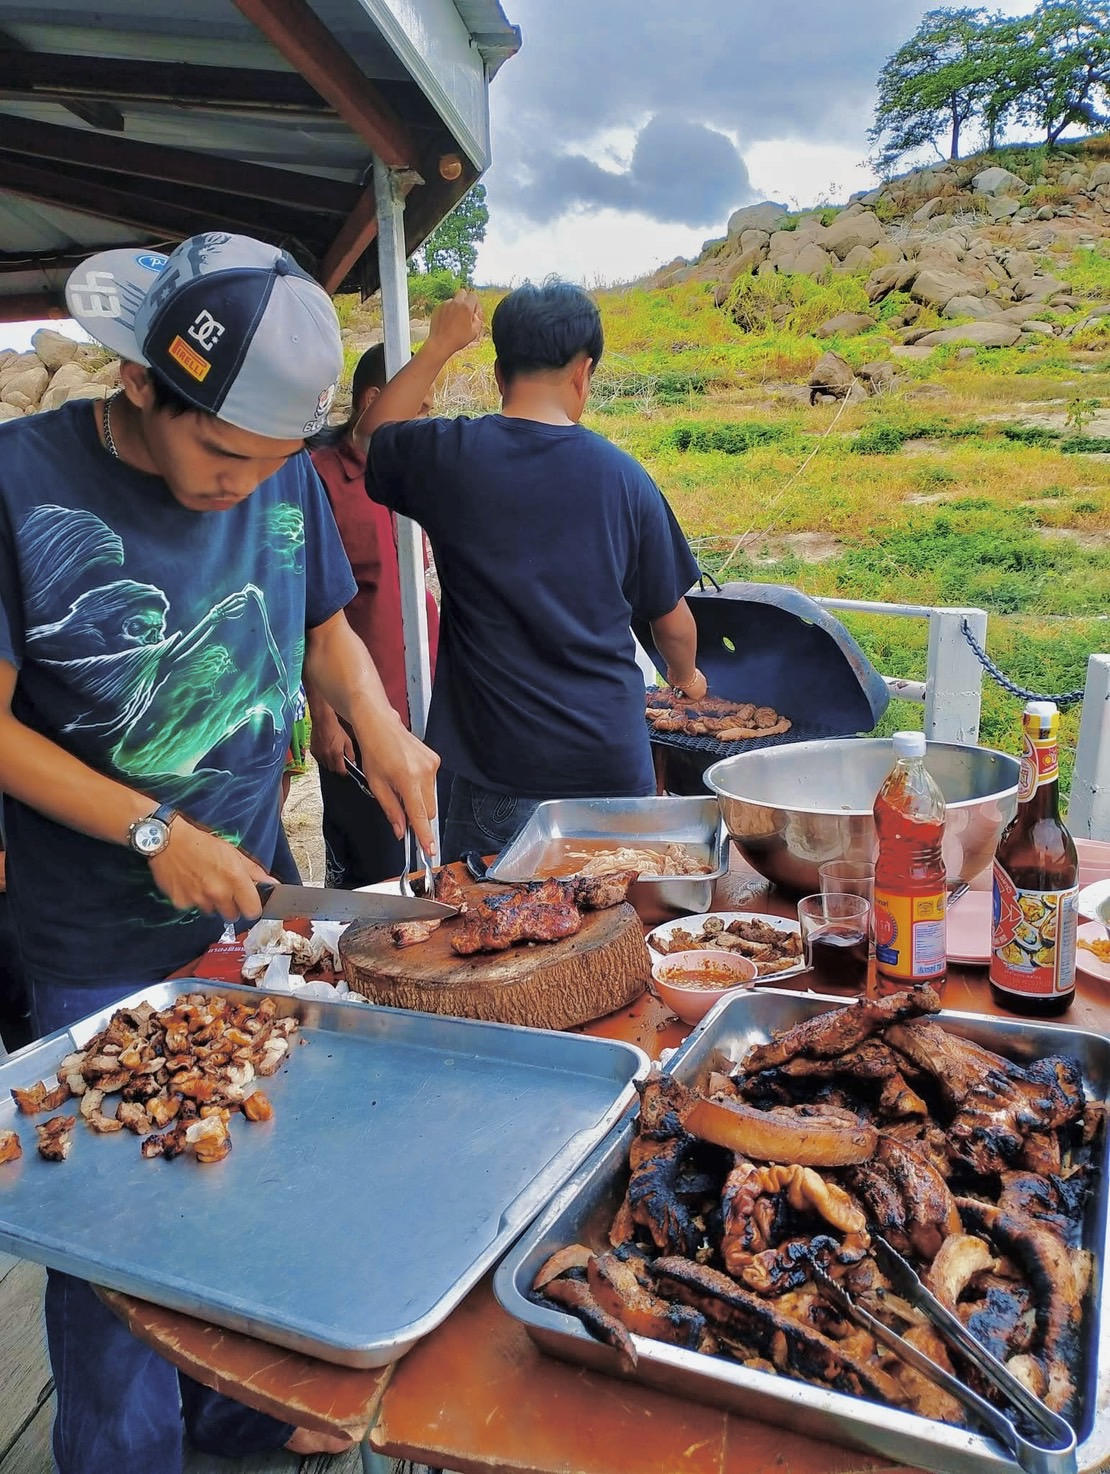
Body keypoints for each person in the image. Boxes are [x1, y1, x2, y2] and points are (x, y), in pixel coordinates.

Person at [0, 232, 439, 1474]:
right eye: (221, 455)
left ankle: (236, 1426)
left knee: (244, 1192)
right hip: (95, 937)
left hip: (251, 915)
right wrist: (152, 829)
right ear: (143, 381)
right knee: (121, 1244)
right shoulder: (19, 480)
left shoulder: (281, 475)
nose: (243, 486)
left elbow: (326, 632)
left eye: (271, 463)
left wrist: (380, 718)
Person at [362, 280, 706, 863]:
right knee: (615, 936)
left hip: (496, 768)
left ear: (499, 374)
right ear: (584, 373)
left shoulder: (450, 456)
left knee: (498, 939)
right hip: (609, 765)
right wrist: (687, 677)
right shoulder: (625, 479)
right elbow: (671, 622)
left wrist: (440, 345)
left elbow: (373, 434)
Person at [307, 344, 445, 884]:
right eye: (421, 405)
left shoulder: (409, 475)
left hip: (425, 699)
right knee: (376, 864)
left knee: (431, 856)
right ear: (374, 400)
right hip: (359, 714)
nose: (429, 419)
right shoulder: (318, 479)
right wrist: (323, 719)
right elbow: (309, 613)